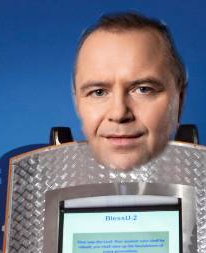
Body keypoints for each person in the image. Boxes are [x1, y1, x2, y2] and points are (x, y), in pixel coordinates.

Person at [72, 12, 187, 170]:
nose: (119, 114)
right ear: (77, 102)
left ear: (179, 101)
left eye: (143, 90)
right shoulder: (39, 173)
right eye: (99, 92)